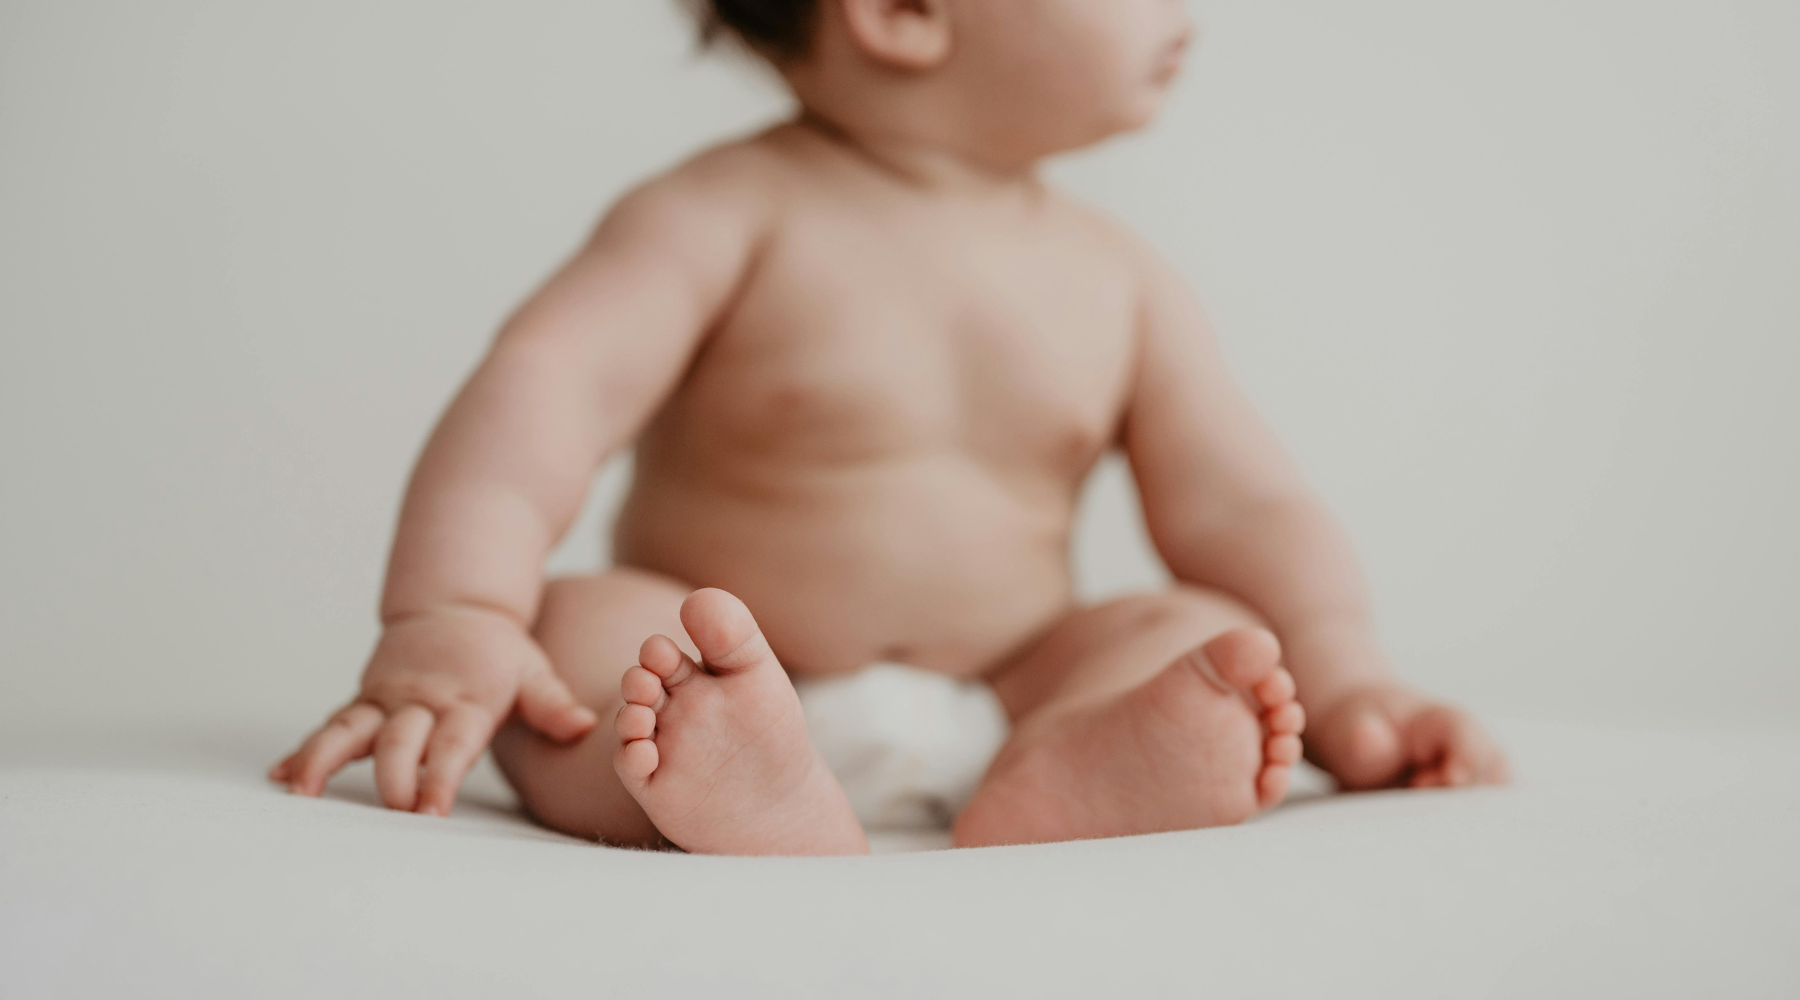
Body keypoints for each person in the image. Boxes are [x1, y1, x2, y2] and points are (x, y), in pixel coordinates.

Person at [271, 0, 1508, 855]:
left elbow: (1245, 507)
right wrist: (458, 615)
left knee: (1202, 640)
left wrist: (1347, 676)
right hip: (730, 673)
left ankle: (1074, 774)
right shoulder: (723, 214)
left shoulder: (1119, 276)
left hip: (1017, 682)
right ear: (905, 10)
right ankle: (721, 784)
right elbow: (545, 388)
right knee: (573, 633)